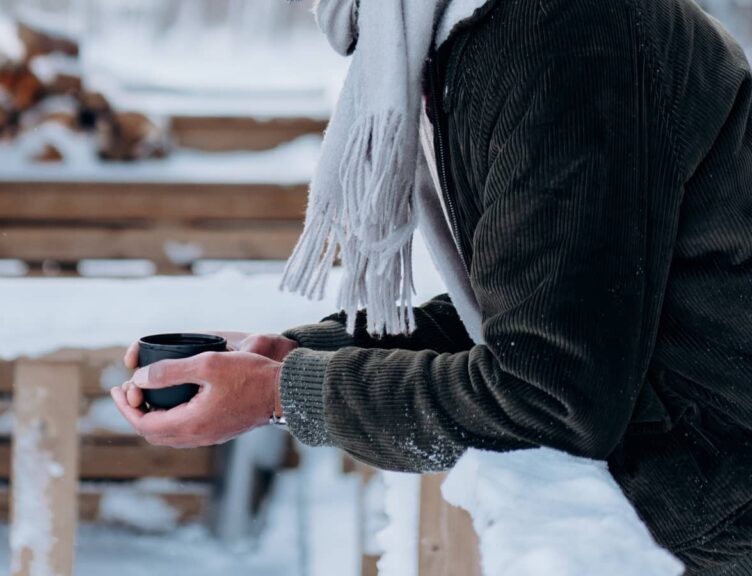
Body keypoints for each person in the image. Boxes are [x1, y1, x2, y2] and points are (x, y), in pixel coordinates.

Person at [111, 0, 752, 572]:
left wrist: (282, 394)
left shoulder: (565, 33)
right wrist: (295, 357)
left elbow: (551, 394)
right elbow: (554, 301)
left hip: (718, 520)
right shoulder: (451, 31)